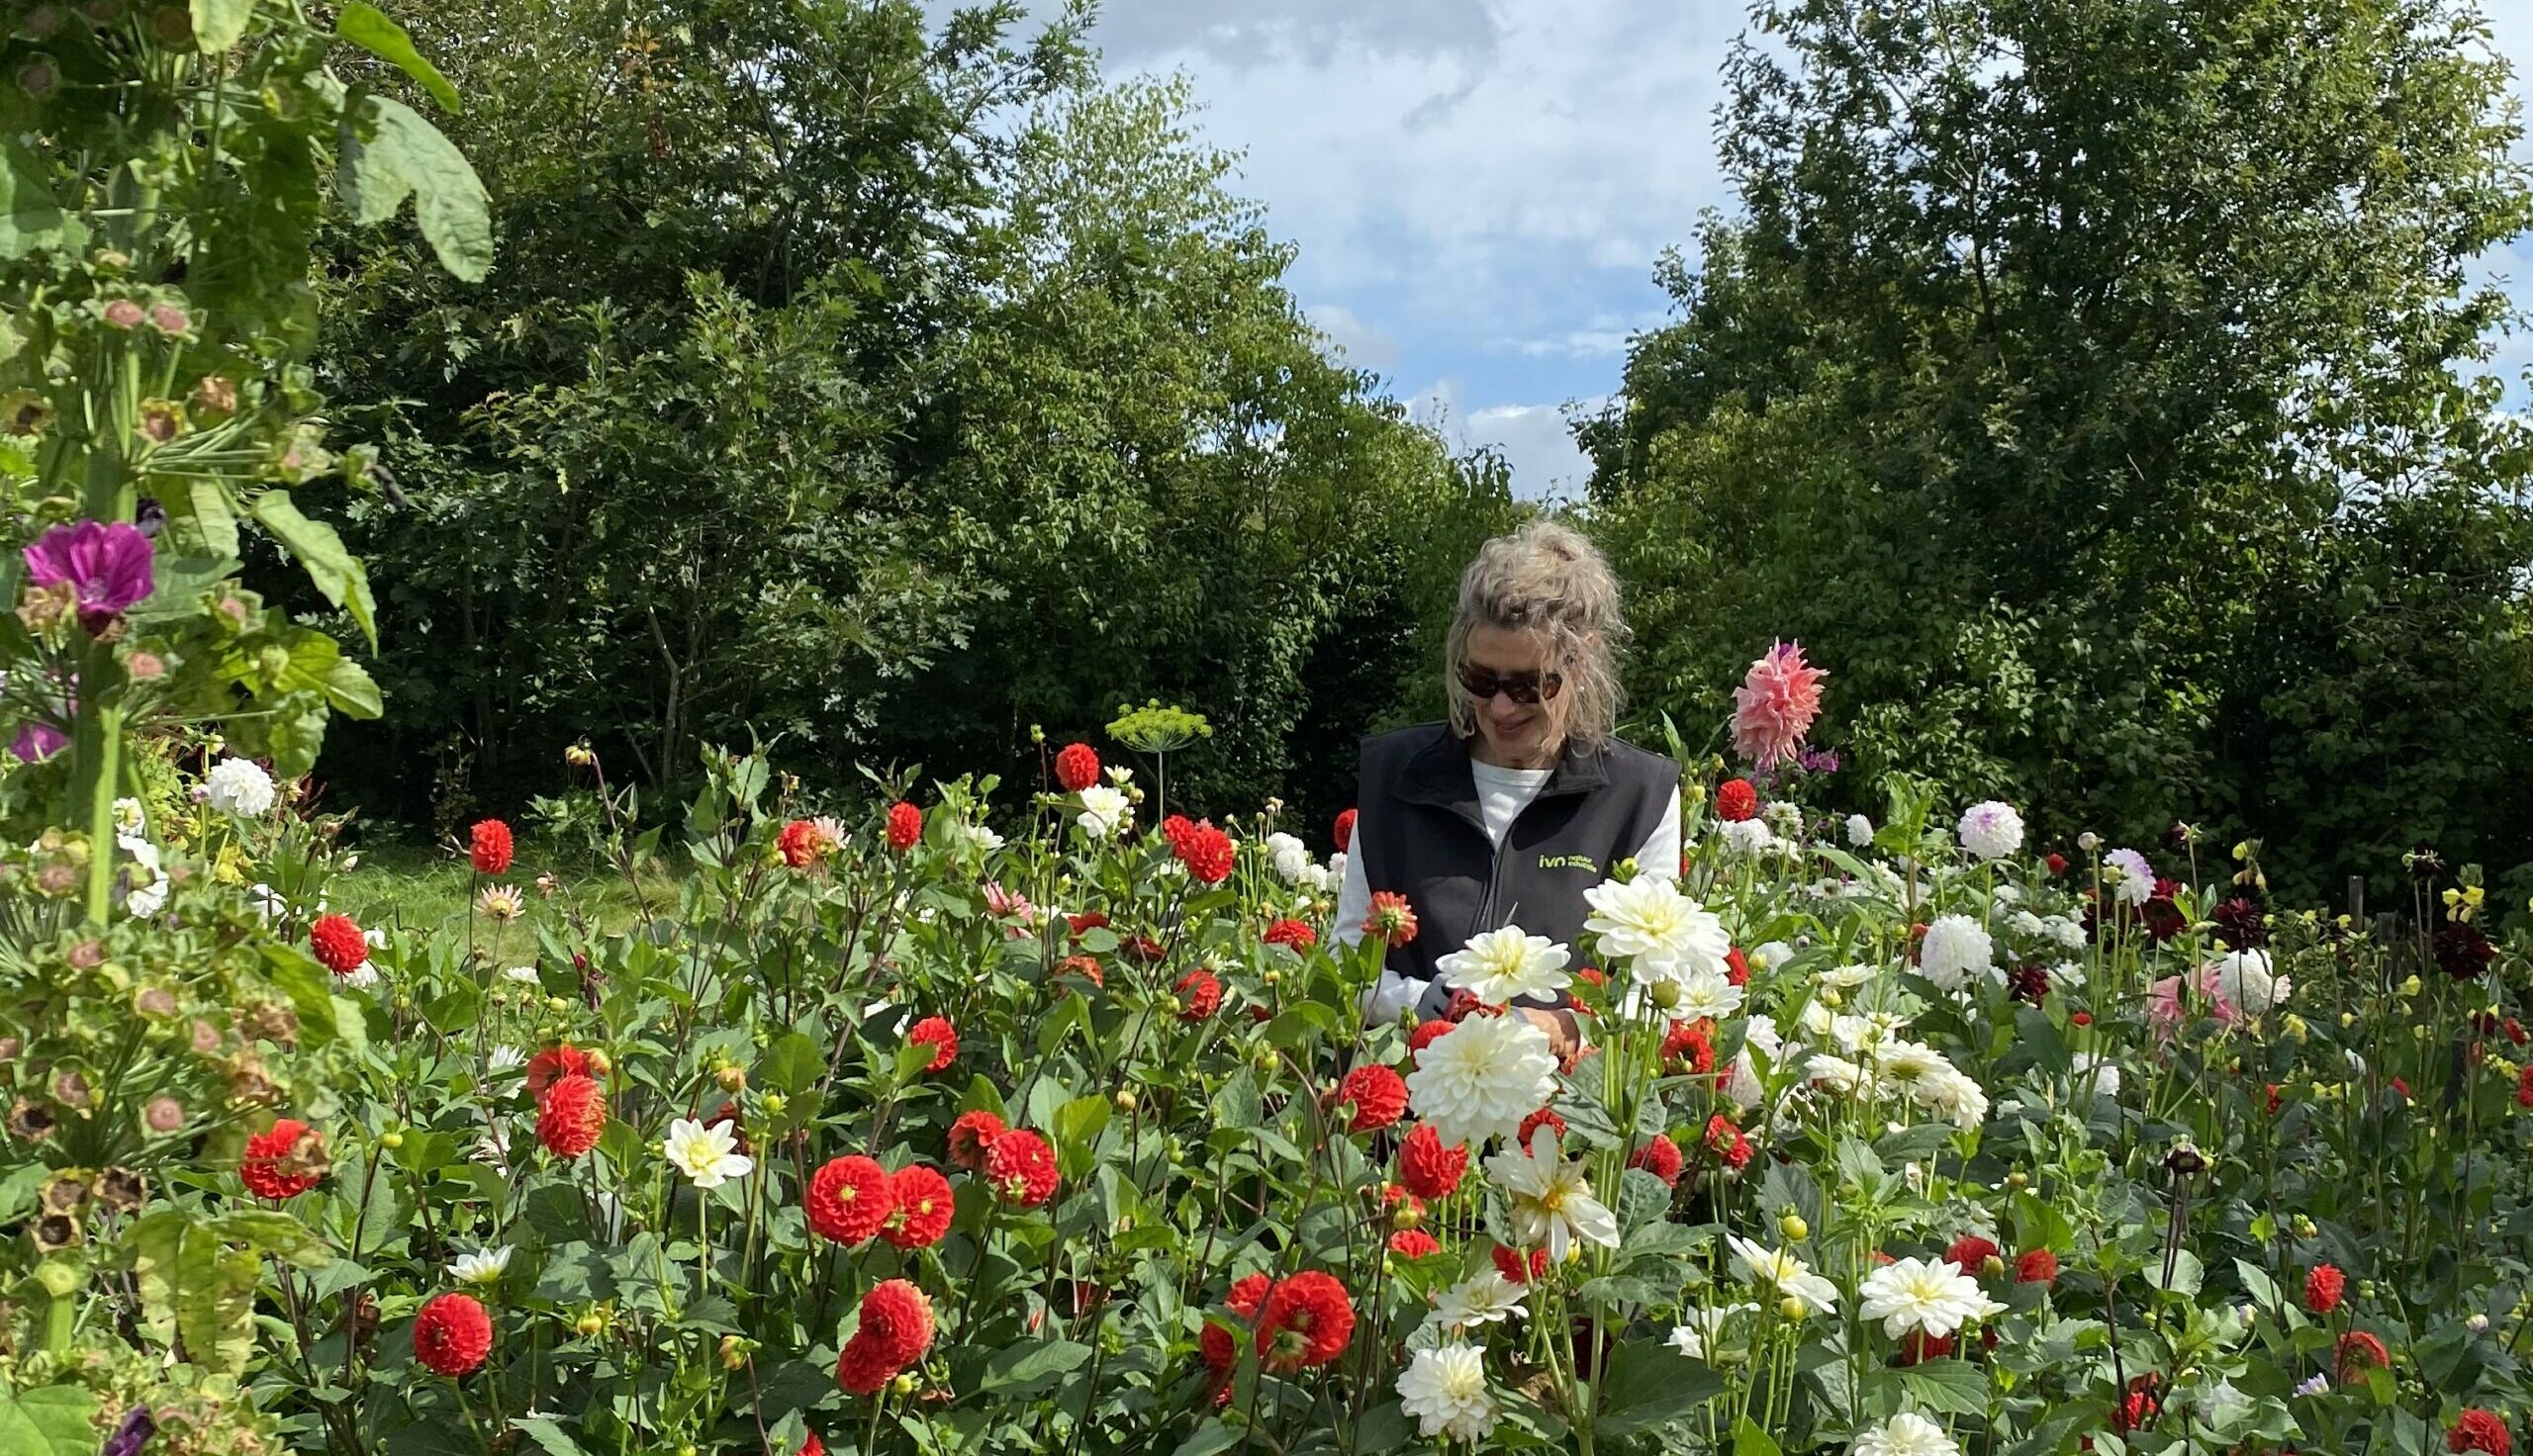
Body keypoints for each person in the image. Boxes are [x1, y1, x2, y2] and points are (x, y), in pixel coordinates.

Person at [1333, 520, 1681, 1053]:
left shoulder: (1641, 797)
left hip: (1563, 1118)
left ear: (1581, 663)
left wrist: (1563, 1029)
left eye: (1526, 685)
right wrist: (1428, 1004)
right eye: (1481, 680)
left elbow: (1654, 992)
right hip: (1414, 1107)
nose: (1499, 707)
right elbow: (1344, 966)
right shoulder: (1395, 778)